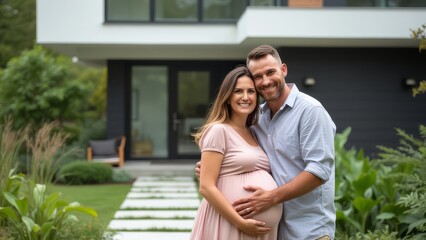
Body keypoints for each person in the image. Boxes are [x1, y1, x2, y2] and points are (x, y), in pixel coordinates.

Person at [196, 45, 336, 240]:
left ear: (284, 70)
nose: (266, 81)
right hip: (274, 231)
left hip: (307, 229)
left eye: (271, 72)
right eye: (258, 76)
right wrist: (214, 168)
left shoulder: (310, 111)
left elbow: (319, 170)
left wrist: (271, 198)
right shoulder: (257, 119)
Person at [189, 66, 282, 240]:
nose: (245, 97)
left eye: (251, 91)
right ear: (228, 97)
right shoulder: (218, 130)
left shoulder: (254, 131)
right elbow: (206, 187)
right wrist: (240, 222)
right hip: (228, 223)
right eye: (238, 91)